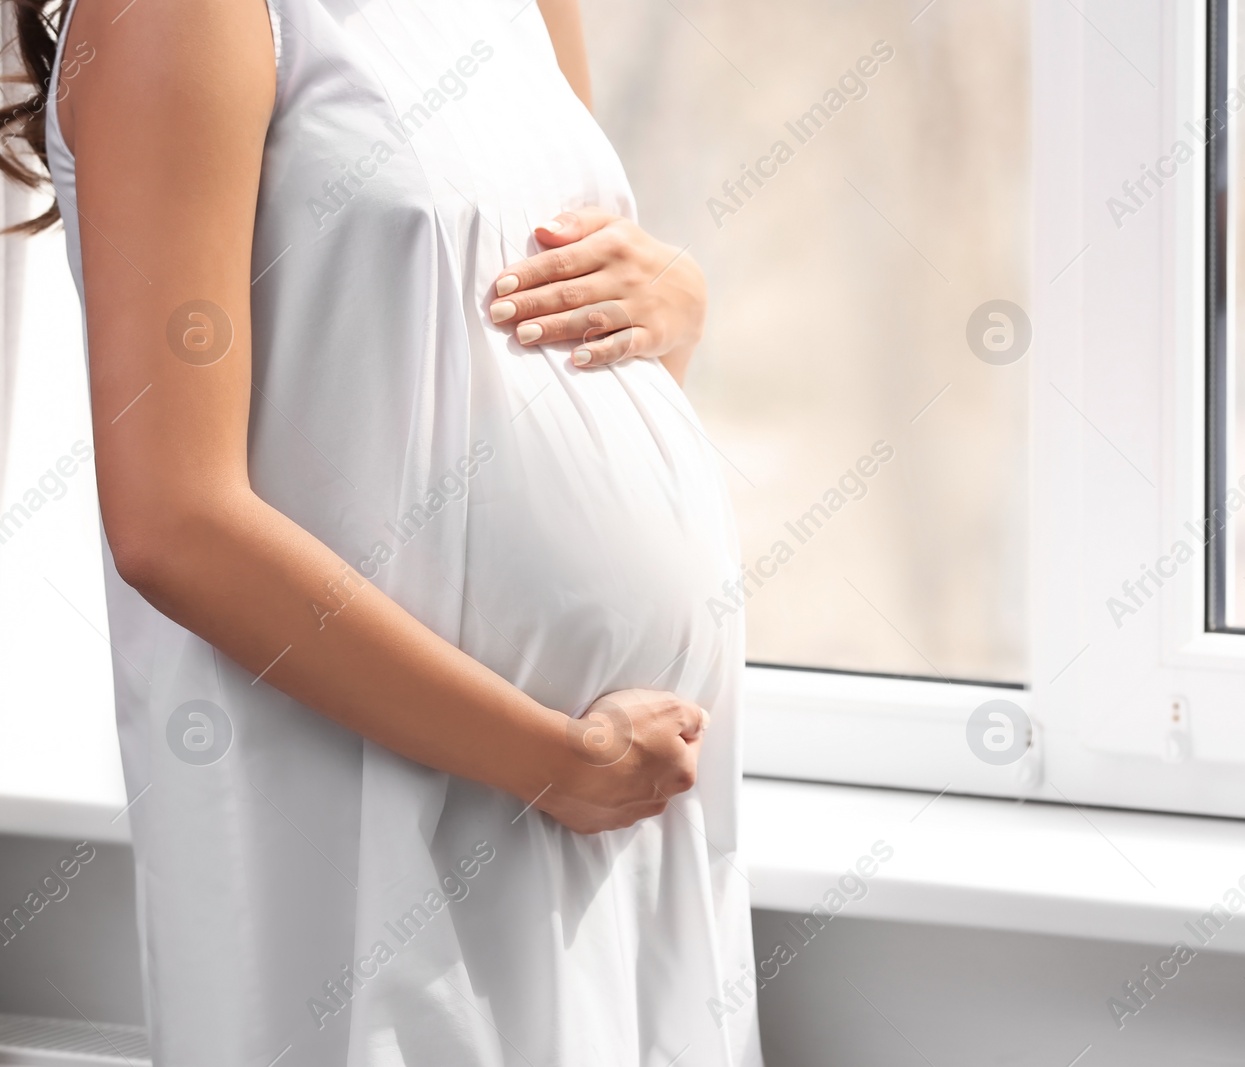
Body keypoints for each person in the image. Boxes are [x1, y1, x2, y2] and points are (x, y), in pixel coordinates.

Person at [1, 0, 761, 1062]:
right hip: (395, 814)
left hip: (621, 802)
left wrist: (667, 302)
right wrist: (551, 758)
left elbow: (503, 348)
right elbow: (174, 523)